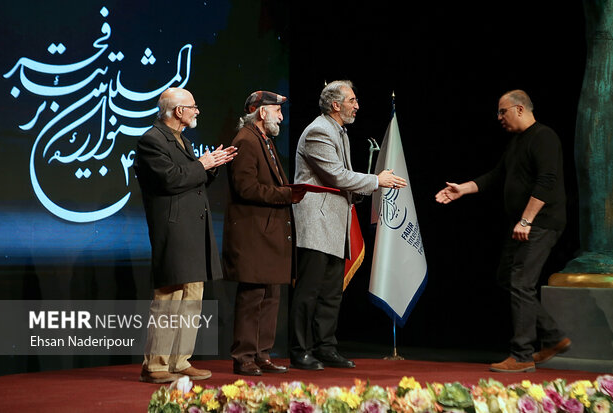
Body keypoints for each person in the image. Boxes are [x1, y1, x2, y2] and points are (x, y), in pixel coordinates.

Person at [435, 89, 571, 373]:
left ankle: (521, 355)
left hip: (540, 223)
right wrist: (464, 189)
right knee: (507, 278)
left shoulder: (544, 137)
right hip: (522, 224)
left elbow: (547, 181)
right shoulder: (517, 142)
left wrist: (526, 220)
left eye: (502, 111)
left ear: (520, 109)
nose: (499, 117)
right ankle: (553, 336)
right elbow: (496, 176)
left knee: (521, 282)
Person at [290, 80, 407, 370]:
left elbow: (341, 179)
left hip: (334, 222)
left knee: (331, 292)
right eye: (352, 100)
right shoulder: (319, 131)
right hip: (317, 222)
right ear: (335, 105)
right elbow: (336, 176)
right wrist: (376, 181)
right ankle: (300, 350)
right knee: (309, 291)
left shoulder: (338, 131)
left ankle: (326, 347)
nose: (357, 105)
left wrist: (362, 189)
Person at [134, 87, 237, 383]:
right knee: (170, 295)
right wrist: (202, 164)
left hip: (193, 229)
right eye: (192, 107)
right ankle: (155, 365)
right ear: (178, 111)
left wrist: (212, 164)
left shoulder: (183, 140)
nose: (196, 111)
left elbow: (191, 177)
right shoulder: (151, 140)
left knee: (193, 294)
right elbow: (170, 179)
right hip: (174, 228)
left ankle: (180, 360)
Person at [223, 91, 305, 376]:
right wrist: (287, 194)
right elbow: (245, 188)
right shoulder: (246, 141)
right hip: (253, 235)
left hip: (267, 236)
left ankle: (262, 354)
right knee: (253, 297)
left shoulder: (264, 141)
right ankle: (244, 356)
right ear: (261, 112)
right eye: (277, 111)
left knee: (271, 296)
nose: (281, 117)